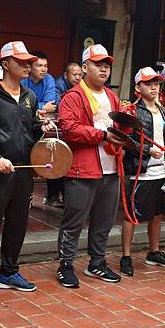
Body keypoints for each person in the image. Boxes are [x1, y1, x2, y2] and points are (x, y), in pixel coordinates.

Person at [0, 41, 56, 301]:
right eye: (22, 61)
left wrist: (43, 128)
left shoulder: (30, 96)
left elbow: (31, 127)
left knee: (18, 223)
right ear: (5, 64)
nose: (28, 66)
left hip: (24, 170)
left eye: (29, 61)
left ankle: (8, 271)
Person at [56, 44, 126, 288]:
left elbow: (120, 130)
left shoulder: (113, 96)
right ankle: (65, 265)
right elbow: (69, 128)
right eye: (98, 64)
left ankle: (97, 263)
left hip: (111, 167)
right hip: (83, 168)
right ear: (85, 67)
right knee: (74, 221)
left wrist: (128, 124)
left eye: (107, 65)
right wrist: (102, 135)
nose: (104, 69)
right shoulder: (73, 96)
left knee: (104, 221)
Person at [120, 67, 165, 276]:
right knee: (132, 214)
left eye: (156, 83)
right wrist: (146, 149)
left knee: (157, 213)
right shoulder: (132, 111)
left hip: (161, 170)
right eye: (148, 83)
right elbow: (126, 140)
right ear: (138, 87)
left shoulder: (162, 111)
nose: (154, 87)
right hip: (141, 170)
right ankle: (126, 256)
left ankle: (154, 252)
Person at [20, 51, 59, 207]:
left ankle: (34, 196)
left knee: (44, 157)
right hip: (22, 125)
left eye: (46, 66)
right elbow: (20, 104)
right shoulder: (23, 80)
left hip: (39, 124)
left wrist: (33, 107)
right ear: (30, 67)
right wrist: (40, 106)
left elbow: (52, 104)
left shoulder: (49, 79)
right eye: (39, 66)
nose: (44, 69)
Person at [45, 62, 83, 207]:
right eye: (74, 75)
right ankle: (52, 195)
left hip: (71, 128)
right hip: (57, 127)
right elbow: (58, 105)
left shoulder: (81, 85)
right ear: (66, 75)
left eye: (80, 75)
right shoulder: (58, 84)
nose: (78, 78)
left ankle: (61, 196)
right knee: (57, 159)